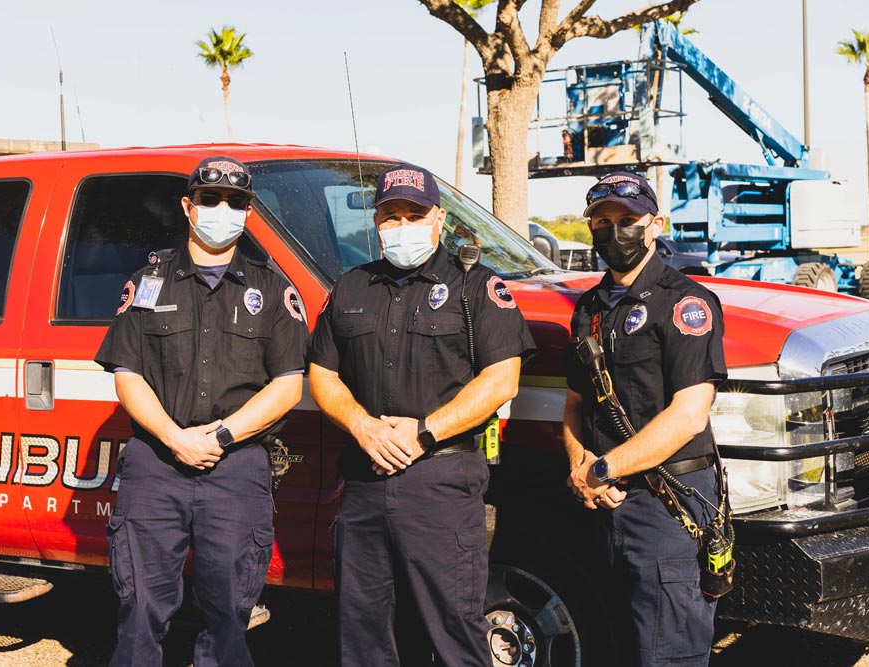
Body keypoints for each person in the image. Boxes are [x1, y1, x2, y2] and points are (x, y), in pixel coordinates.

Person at [306, 163, 536, 666]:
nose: (402, 225)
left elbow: (502, 379)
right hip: (365, 481)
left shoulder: (476, 287)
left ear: (439, 219)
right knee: (364, 635)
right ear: (376, 221)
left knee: (455, 633)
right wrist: (362, 426)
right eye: (392, 216)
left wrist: (425, 433)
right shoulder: (350, 288)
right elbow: (323, 374)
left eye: (415, 214)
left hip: (442, 482)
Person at [95, 155, 307, 667]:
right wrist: (174, 438)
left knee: (230, 614)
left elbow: (288, 385)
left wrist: (221, 439)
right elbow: (128, 374)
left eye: (236, 202)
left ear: (249, 211)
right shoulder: (148, 282)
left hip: (236, 468)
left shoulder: (274, 290)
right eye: (210, 199)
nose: (222, 209)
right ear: (189, 206)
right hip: (155, 465)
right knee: (140, 608)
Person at [563, 171, 727, 667]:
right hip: (602, 509)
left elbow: (689, 415)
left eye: (628, 220)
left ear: (655, 224)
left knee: (667, 653)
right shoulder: (587, 309)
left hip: (666, 508)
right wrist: (580, 465)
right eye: (602, 221)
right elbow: (574, 405)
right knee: (612, 646)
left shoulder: (686, 304)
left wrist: (604, 469)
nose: (614, 232)